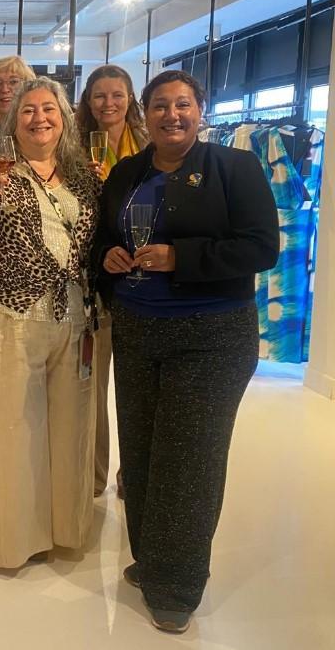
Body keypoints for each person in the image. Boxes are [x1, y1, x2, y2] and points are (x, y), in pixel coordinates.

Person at [93, 70, 278, 633]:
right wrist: (107, 258)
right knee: (142, 451)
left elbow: (261, 248)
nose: (171, 115)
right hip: (137, 329)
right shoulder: (127, 172)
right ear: (144, 113)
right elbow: (104, 237)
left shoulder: (234, 167)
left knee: (189, 459)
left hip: (212, 335)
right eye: (159, 105)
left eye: (182, 105)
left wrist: (181, 258)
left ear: (200, 110)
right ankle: (152, 559)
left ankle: (177, 585)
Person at [0, 76, 100, 571]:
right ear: (12, 122)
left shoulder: (83, 176)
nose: (39, 118)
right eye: (28, 110)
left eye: (49, 109)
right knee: (7, 431)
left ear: (64, 119)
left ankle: (59, 530)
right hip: (4, 317)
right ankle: (6, 541)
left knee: (67, 430)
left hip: (72, 317)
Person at [76, 64, 150, 498]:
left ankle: (132, 474)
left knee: (136, 388)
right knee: (92, 387)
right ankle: (92, 475)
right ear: (88, 101)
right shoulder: (73, 146)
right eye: (99, 95)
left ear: (130, 98)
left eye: (117, 94)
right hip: (96, 277)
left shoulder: (150, 145)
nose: (108, 103)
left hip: (143, 278)